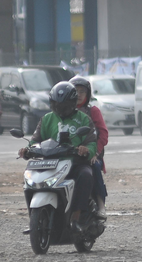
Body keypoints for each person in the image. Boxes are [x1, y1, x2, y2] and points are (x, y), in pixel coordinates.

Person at [18, 82, 97, 231]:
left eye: (64, 104)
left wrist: (85, 150)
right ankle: (34, 219)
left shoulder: (84, 119)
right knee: (30, 180)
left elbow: (92, 142)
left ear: (73, 103)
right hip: (50, 164)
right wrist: (27, 150)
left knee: (86, 175)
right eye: (56, 104)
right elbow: (35, 141)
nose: (60, 108)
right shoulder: (47, 119)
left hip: (75, 163)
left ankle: (77, 216)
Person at [69, 76, 109, 219]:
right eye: (75, 91)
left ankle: (100, 204)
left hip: (91, 154)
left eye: (82, 91)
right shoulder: (64, 111)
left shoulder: (93, 111)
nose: (79, 95)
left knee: (95, 167)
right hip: (69, 154)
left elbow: (103, 134)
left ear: (87, 94)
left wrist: (95, 152)